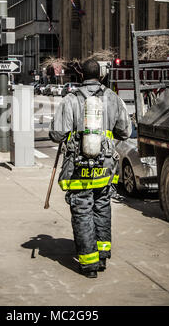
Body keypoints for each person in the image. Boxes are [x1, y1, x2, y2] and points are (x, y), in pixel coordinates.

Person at [49, 58, 132, 279]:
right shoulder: (113, 98)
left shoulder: (70, 100)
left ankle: (89, 264)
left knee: (82, 210)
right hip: (104, 168)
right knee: (102, 206)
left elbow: (57, 133)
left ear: (81, 76)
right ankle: (103, 255)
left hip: (79, 168)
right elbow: (125, 131)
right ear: (101, 75)